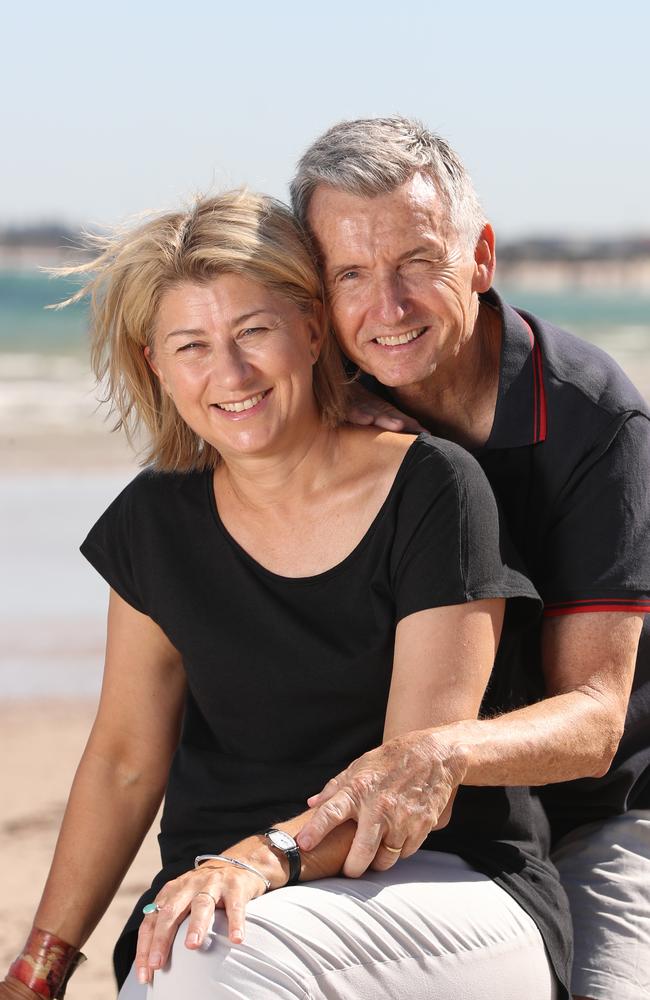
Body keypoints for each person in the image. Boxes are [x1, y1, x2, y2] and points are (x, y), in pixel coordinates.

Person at [1, 191, 570, 1000]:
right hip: (215, 896)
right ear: (156, 365)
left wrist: (265, 856)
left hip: (445, 886)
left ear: (310, 328)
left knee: (206, 963)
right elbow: (125, 762)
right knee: (179, 958)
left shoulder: (434, 491)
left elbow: (409, 786)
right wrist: (40, 967)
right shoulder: (155, 520)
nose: (228, 374)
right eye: (191, 345)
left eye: (253, 332)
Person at [289, 116, 650, 1000]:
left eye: (417, 262)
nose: (389, 307)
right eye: (351, 275)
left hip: (594, 813)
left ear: (480, 256)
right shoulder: (322, 397)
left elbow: (597, 724)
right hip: (426, 813)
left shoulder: (593, 418)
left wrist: (433, 755)